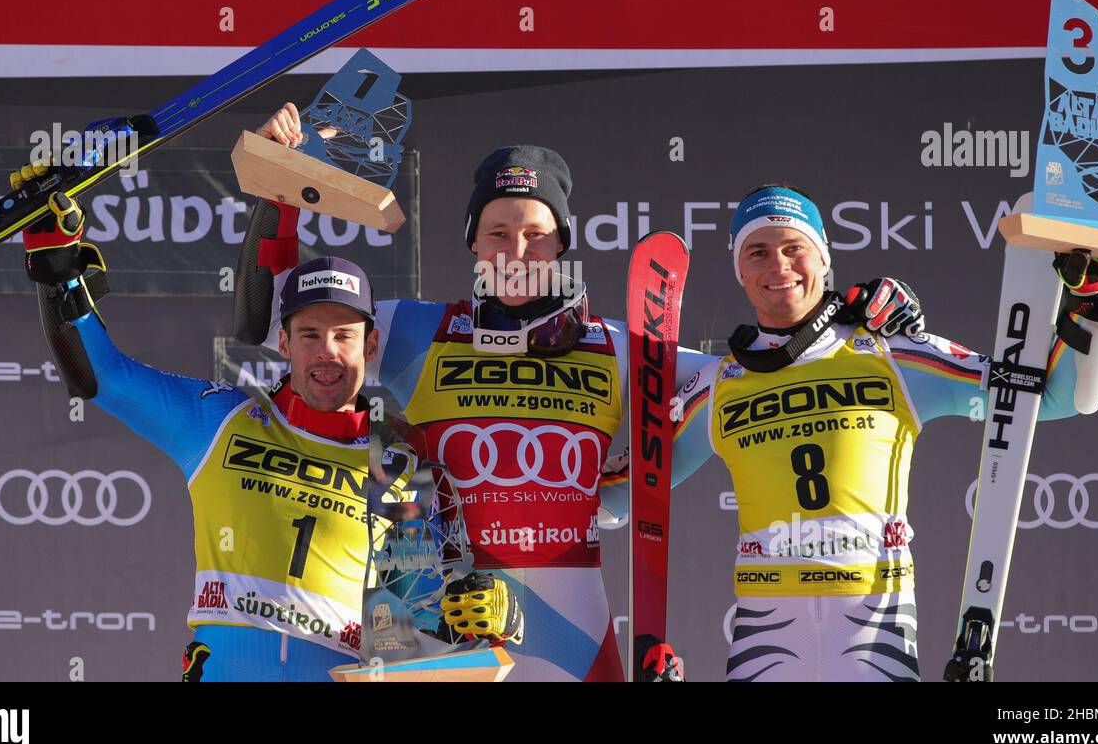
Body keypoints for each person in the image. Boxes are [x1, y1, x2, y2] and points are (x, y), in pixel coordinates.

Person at [240, 106, 914, 680]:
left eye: (536, 235)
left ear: (561, 242)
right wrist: (278, 195)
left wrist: (852, 316)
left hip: (576, 618)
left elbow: (760, 376)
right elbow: (279, 322)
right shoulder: (418, 330)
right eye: (498, 232)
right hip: (441, 610)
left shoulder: (619, 345)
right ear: (473, 241)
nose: (517, 250)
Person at [19, 190, 521, 681]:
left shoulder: (399, 468)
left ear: (369, 346)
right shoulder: (219, 420)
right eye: (309, 335)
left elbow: (413, 625)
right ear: (283, 342)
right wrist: (56, 269)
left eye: (344, 335)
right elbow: (100, 374)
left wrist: (484, 617)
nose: (327, 352)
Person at [648, 184, 1098, 682]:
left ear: (823, 257)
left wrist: (1096, 296)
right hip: (766, 638)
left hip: (875, 634)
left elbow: (1058, 397)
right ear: (739, 271)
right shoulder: (718, 386)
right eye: (758, 252)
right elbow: (628, 498)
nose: (779, 266)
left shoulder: (894, 353)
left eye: (794, 248)